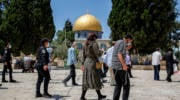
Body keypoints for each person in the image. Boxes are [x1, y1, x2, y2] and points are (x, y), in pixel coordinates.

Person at [80, 33, 106, 100]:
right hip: (92, 63)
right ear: (93, 38)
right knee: (95, 78)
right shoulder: (94, 44)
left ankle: (83, 96)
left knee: (86, 79)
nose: (96, 39)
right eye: (95, 38)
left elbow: (83, 55)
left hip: (86, 63)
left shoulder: (85, 44)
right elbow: (97, 54)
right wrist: (102, 51)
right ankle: (99, 95)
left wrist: (82, 64)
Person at [112, 34, 133, 100]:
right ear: (128, 39)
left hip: (115, 66)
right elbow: (119, 54)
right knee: (126, 85)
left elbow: (120, 51)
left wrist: (128, 48)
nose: (130, 42)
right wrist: (124, 65)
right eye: (130, 41)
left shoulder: (118, 42)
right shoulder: (123, 42)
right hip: (120, 67)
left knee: (118, 84)